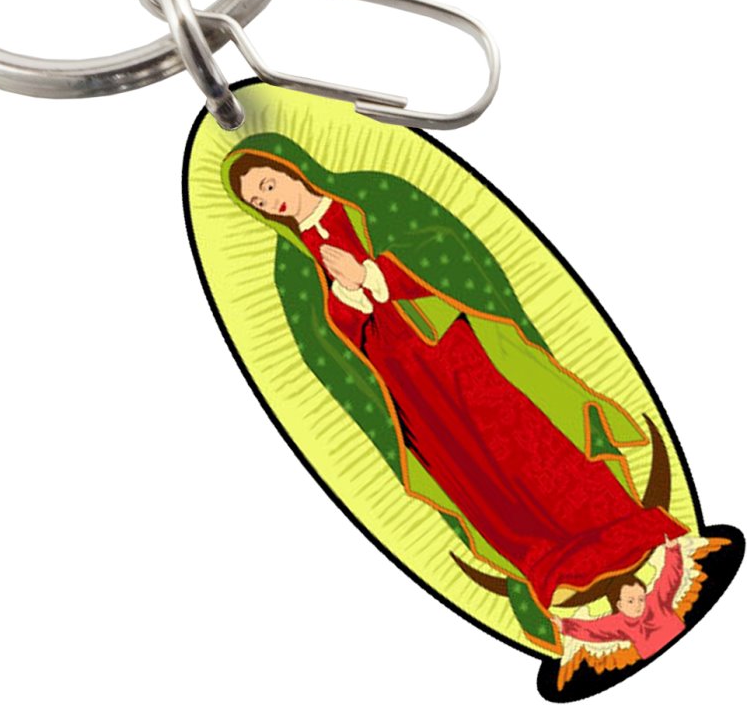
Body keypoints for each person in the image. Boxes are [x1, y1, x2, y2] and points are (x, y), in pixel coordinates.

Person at [225, 140, 687, 611]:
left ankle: (623, 525)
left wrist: (371, 276)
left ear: (291, 168)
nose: (269, 201)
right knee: (472, 473)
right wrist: (347, 299)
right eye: (258, 201)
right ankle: (549, 564)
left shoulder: (372, 196)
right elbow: (322, 346)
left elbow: (442, 245)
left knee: (524, 437)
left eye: (268, 185)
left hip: (452, 346)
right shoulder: (292, 268)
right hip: (405, 385)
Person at [553, 537, 686, 658]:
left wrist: (673, 549)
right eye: (630, 601)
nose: (638, 604)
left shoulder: (656, 602)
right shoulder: (619, 624)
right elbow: (592, 630)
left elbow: (670, 577)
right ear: (619, 605)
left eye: (641, 599)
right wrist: (565, 626)